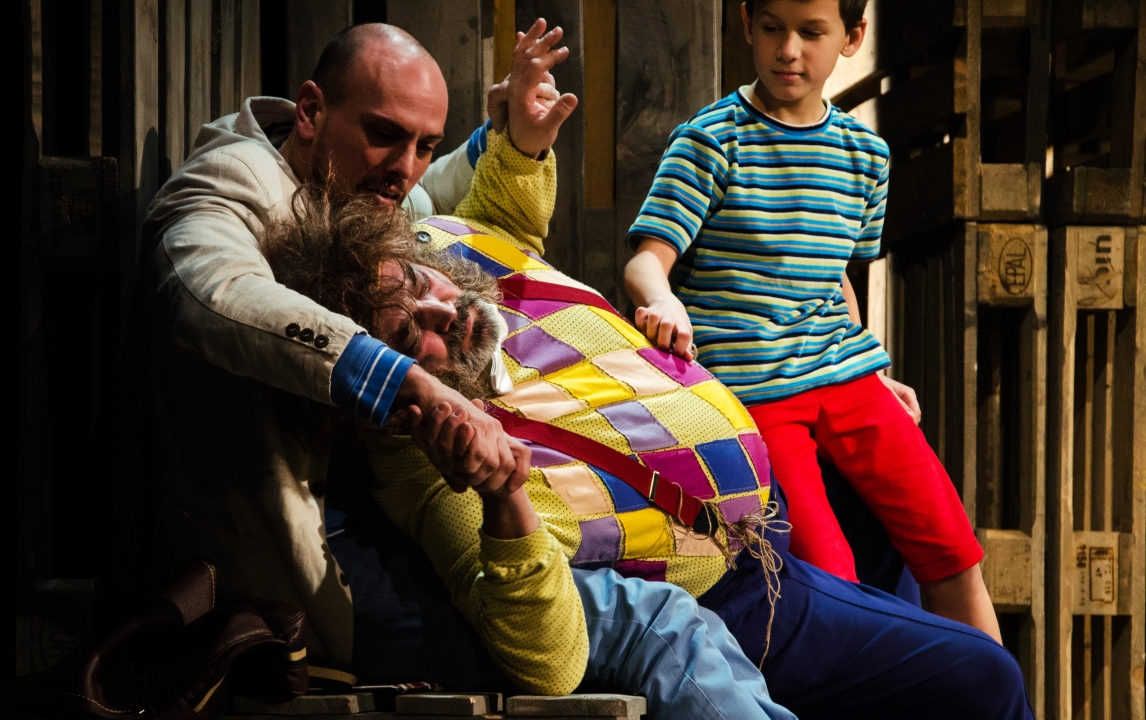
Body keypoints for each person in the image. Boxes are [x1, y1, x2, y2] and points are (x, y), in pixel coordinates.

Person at [260, 134, 1034, 719]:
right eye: (407, 336)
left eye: (416, 281)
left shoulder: (455, 257)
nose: (441, 308)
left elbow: (498, 217)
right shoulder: (442, 467)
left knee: (903, 522)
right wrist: (503, 497)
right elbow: (549, 656)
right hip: (742, 590)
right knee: (984, 677)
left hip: (766, 527)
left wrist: (524, 145)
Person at [143, 20, 574, 668]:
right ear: (310, 112)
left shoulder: (356, 179)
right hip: (282, 553)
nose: (405, 168)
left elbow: (432, 190)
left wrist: (511, 136)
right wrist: (402, 378)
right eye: (385, 134)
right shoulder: (230, 183)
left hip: (364, 497)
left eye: (425, 144)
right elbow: (212, 292)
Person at [621, 0, 1000, 640]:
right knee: (830, 577)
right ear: (748, 24)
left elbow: (835, 277)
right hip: (756, 387)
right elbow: (645, 262)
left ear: (852, 37)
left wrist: (872, 365)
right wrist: (662, 300)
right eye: (773, 28)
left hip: (847, 379)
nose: (789, 49)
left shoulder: (866, 154)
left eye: (811, 32)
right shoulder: (712, 139)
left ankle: (995, 688)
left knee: (953, 550)